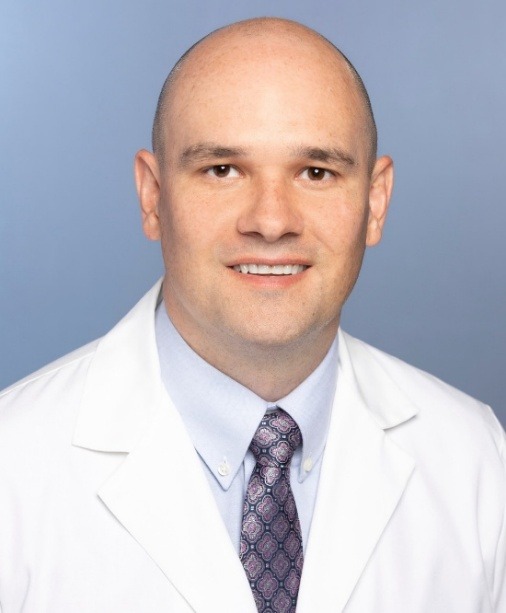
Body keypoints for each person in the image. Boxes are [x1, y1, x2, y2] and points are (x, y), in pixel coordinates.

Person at [0, 17, 504, 613]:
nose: (270, 221)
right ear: (153, 197)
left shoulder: (476, 458)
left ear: (375, 202)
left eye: (316, 172)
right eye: (222, 170)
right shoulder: (14, 466)